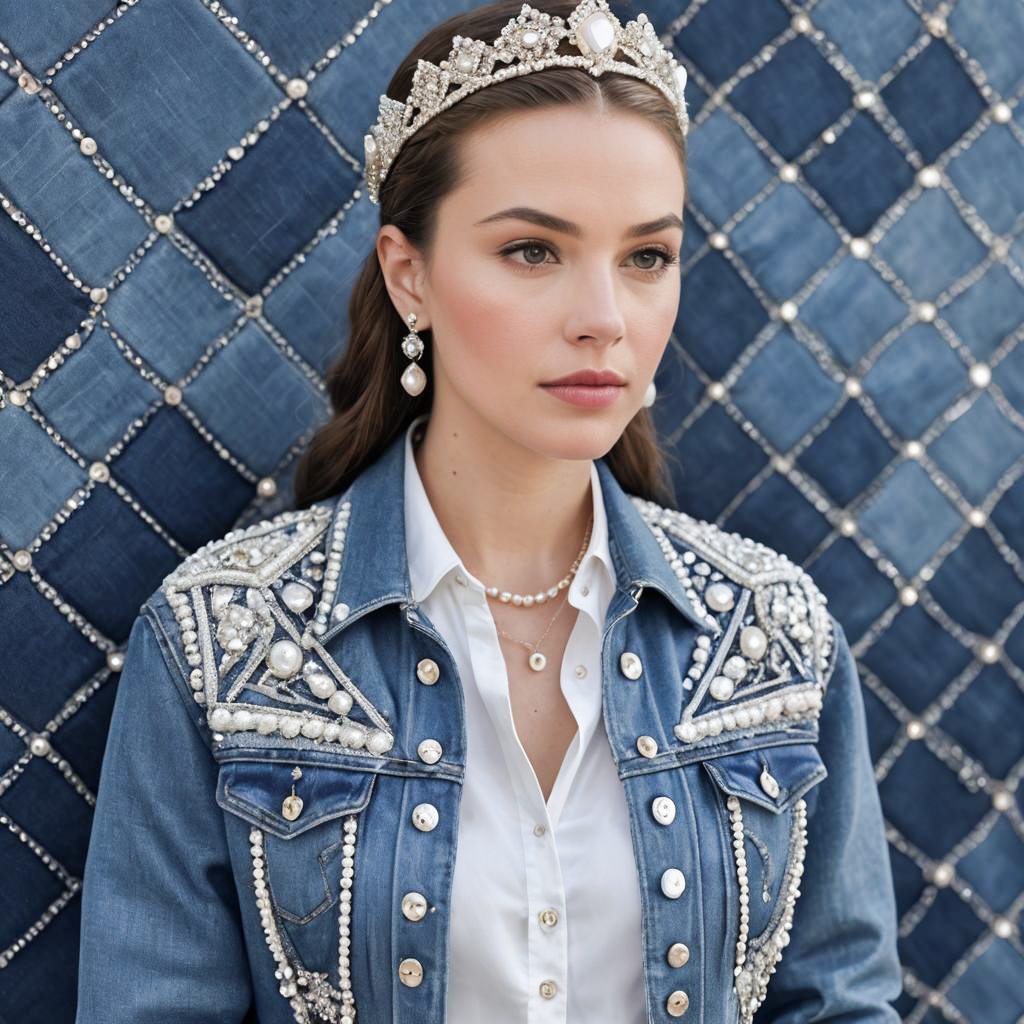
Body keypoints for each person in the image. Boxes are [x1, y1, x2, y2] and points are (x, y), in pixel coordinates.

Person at [75, 1, 903, 1021]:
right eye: (532, 251)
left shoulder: (779, 634)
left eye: (645, 256)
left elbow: (841, 1003)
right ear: (407, 271)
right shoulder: (217, 641)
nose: (604, 318)